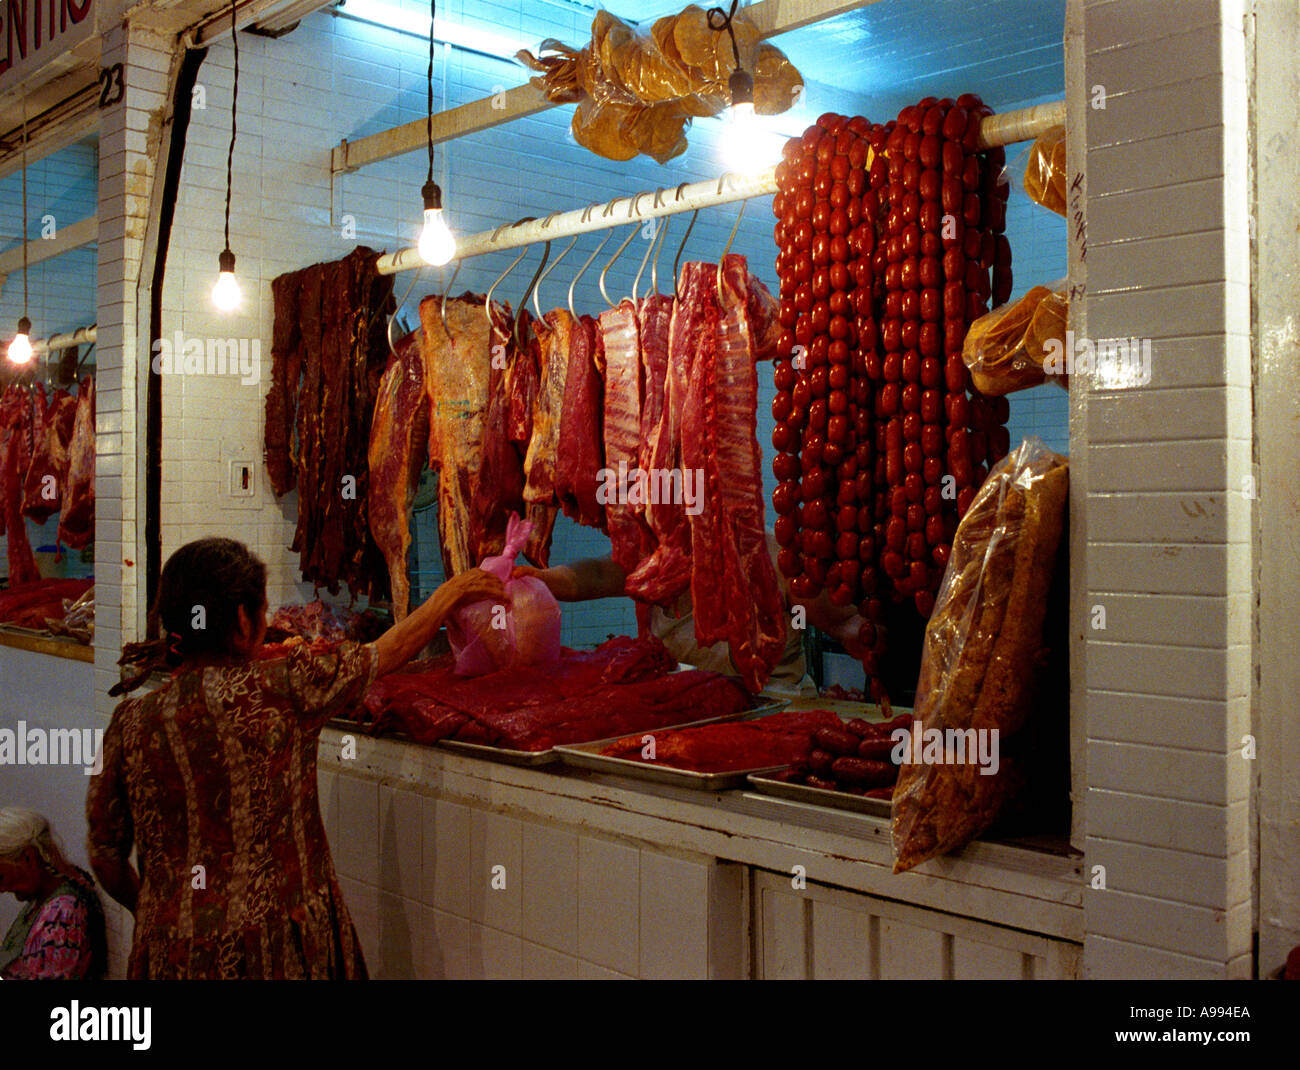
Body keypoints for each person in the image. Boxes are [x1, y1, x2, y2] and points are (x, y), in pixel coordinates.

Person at [86, 536, 503, 979]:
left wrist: (162, 911)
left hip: (169, 958)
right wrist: (449, 594)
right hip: (278, 949)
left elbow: (104, 855)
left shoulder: (129, 721)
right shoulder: (282, 687)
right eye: (261, 610)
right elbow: (386, 654)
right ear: (244, 621)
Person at [516, 532, 865, 697]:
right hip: (684, 707)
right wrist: (544, 580)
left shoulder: (774, 558)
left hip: (772, 707)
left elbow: (845, 623)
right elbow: (600, 574)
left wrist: (867, 637)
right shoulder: (662, 559)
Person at [0, 807, 107, 980]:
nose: (1, 889)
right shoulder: (40, 902)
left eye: (1, 877)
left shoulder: (63, 913)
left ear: (29, 857)